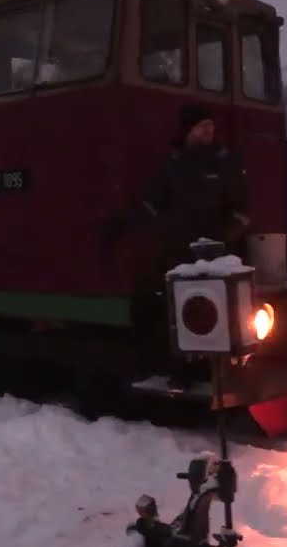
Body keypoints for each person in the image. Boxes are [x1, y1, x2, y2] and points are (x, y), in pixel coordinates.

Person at [107, 103, 250, 387]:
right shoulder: (172, 165)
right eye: (202, 126)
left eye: (211, 125)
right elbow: (153, 203)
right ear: (189, 130)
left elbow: (241, 210)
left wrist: (221, 241)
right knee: (161, 306)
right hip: (178, 253)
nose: (209, 130)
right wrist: (126, 223)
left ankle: (222, 369)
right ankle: (177, 369)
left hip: (217, 255)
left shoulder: (225, 162)